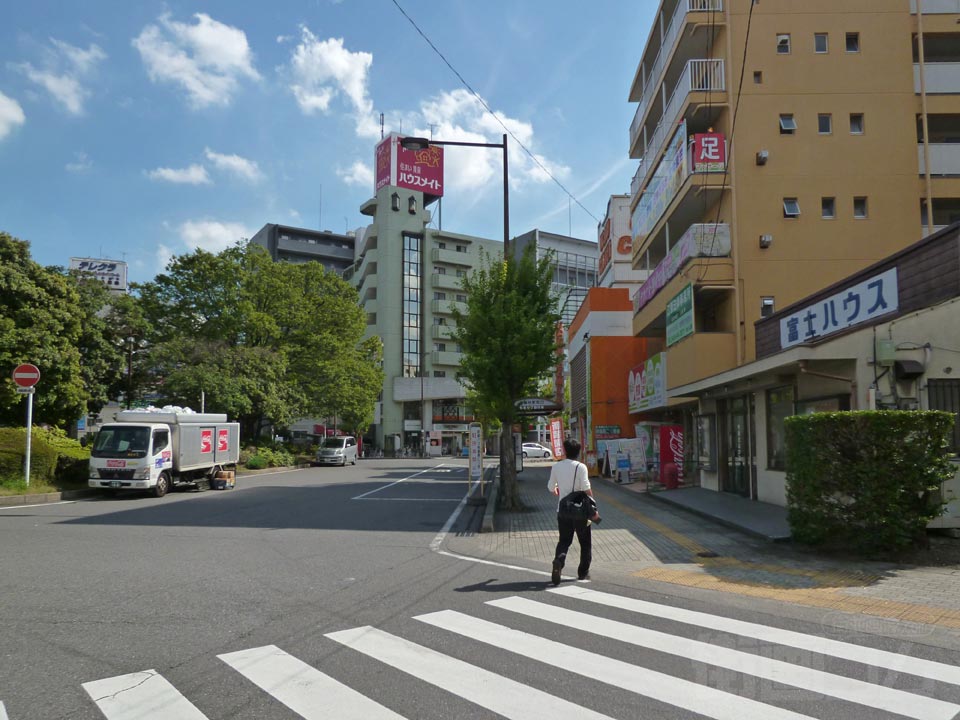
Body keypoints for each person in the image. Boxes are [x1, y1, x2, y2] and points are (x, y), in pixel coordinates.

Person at [547, 438, 600, 585]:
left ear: (565, 451)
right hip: (580, 513)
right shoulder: (581, 467)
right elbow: (586, 489)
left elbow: (551, 487)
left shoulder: (556, 467)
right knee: (585, 543)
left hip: (563, 511)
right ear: (578, 452)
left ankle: (559, 561)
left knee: (564, 540)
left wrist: (557, 490)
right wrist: (593, 507)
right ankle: (583, 572)